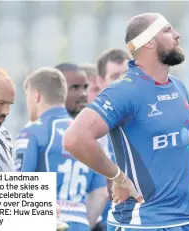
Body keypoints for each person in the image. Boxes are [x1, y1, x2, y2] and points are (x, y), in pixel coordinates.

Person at [62, 13, 189, 231]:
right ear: (148, 42)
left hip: (187, 220)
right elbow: (74, 138)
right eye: (168, 30)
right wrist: (118, 178)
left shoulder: (178, 87)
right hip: (143, 223)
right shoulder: (124, 90)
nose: (177, 35)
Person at [13, 67, 108, 231]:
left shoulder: (32, 131)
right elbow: (101, 192)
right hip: (81, 221)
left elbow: (20, 187)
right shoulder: (88, 135)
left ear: (36, 95)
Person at [80, 63, 115, 231]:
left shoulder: (113, 132)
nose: (99, 95)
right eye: (93, 89)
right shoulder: (66, 135)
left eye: (101, 89)